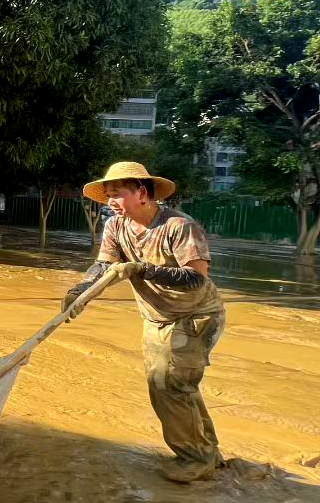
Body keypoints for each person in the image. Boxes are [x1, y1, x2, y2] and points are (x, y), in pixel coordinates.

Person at [61, 161, 226, 483]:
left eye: (117, 194)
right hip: (155, 317)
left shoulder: (178, 226)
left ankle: (196, 459)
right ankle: (207, 452)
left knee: (169, 384)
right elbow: (103, 265)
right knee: (173, 385)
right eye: (108, 195)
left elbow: (196, 278)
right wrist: (80, 291)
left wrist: (142, 269)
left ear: (141, 193)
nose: (111, 202)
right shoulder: (115, 226)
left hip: (195, 316)